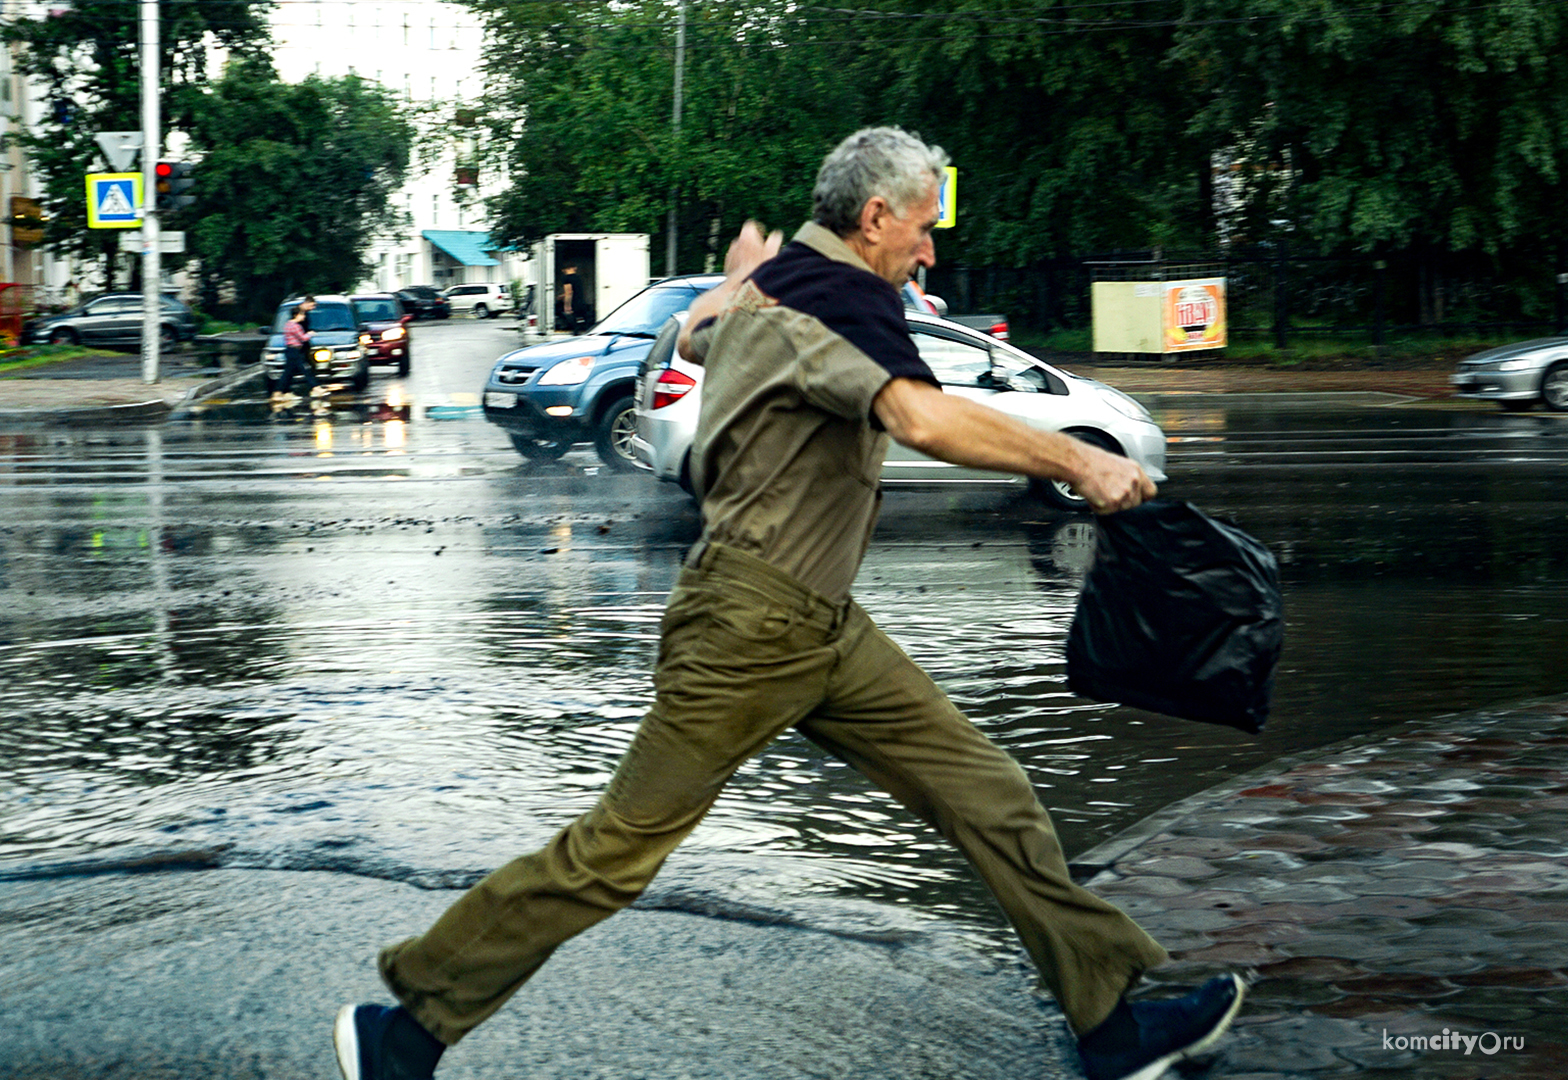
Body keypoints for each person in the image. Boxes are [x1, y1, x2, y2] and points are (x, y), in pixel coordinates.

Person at [335, 127, 1244, 1080]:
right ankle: (406, 1030)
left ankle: (1109, 1027)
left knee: (989, 796)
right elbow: (921, 419)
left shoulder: (779, 287)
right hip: (750, 628)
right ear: (875, 216)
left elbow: (693, 332)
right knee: (613, 854)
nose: (930, 249)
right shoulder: (837, 300)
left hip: (821, 626)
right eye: (923, 228)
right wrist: (1080, 457)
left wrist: (731, 286)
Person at [271, 297, 315, 404]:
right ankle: (316, 388)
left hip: (290, 350)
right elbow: (303, 338)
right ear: (297, 315)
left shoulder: (287, 325)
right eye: (302, 315)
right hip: (295, 351)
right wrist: (310, 334)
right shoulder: (296, 326)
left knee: (288, 373)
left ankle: (279, 392)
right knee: (306, 370)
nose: (304, 317)